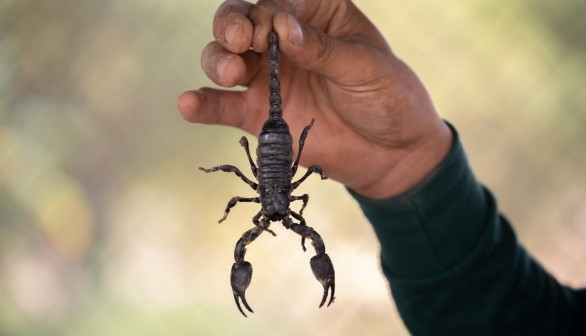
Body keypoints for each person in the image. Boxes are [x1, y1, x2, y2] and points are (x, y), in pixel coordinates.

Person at [177, 0, 586, 334]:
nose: (281, 220)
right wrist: (408, 170)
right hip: (280, 149)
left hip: (272, 150)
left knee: (248, 235)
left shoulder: (268, 209)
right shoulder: (291, 203)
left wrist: (404, 171)